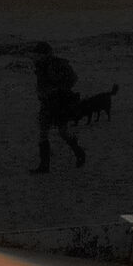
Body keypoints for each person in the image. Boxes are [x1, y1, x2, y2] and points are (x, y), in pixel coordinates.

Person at [30, 40, 86, 172]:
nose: (36, 57)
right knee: (43, 133)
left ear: (46, 54)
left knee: (63, 132)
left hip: (59, 104)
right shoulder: (39, 66)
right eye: (36, 54)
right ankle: (44, 166)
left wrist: (59, 89)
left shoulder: (57, 64)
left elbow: (73, 79)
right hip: (46, 104)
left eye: (39, 54)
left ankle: (79, 152)